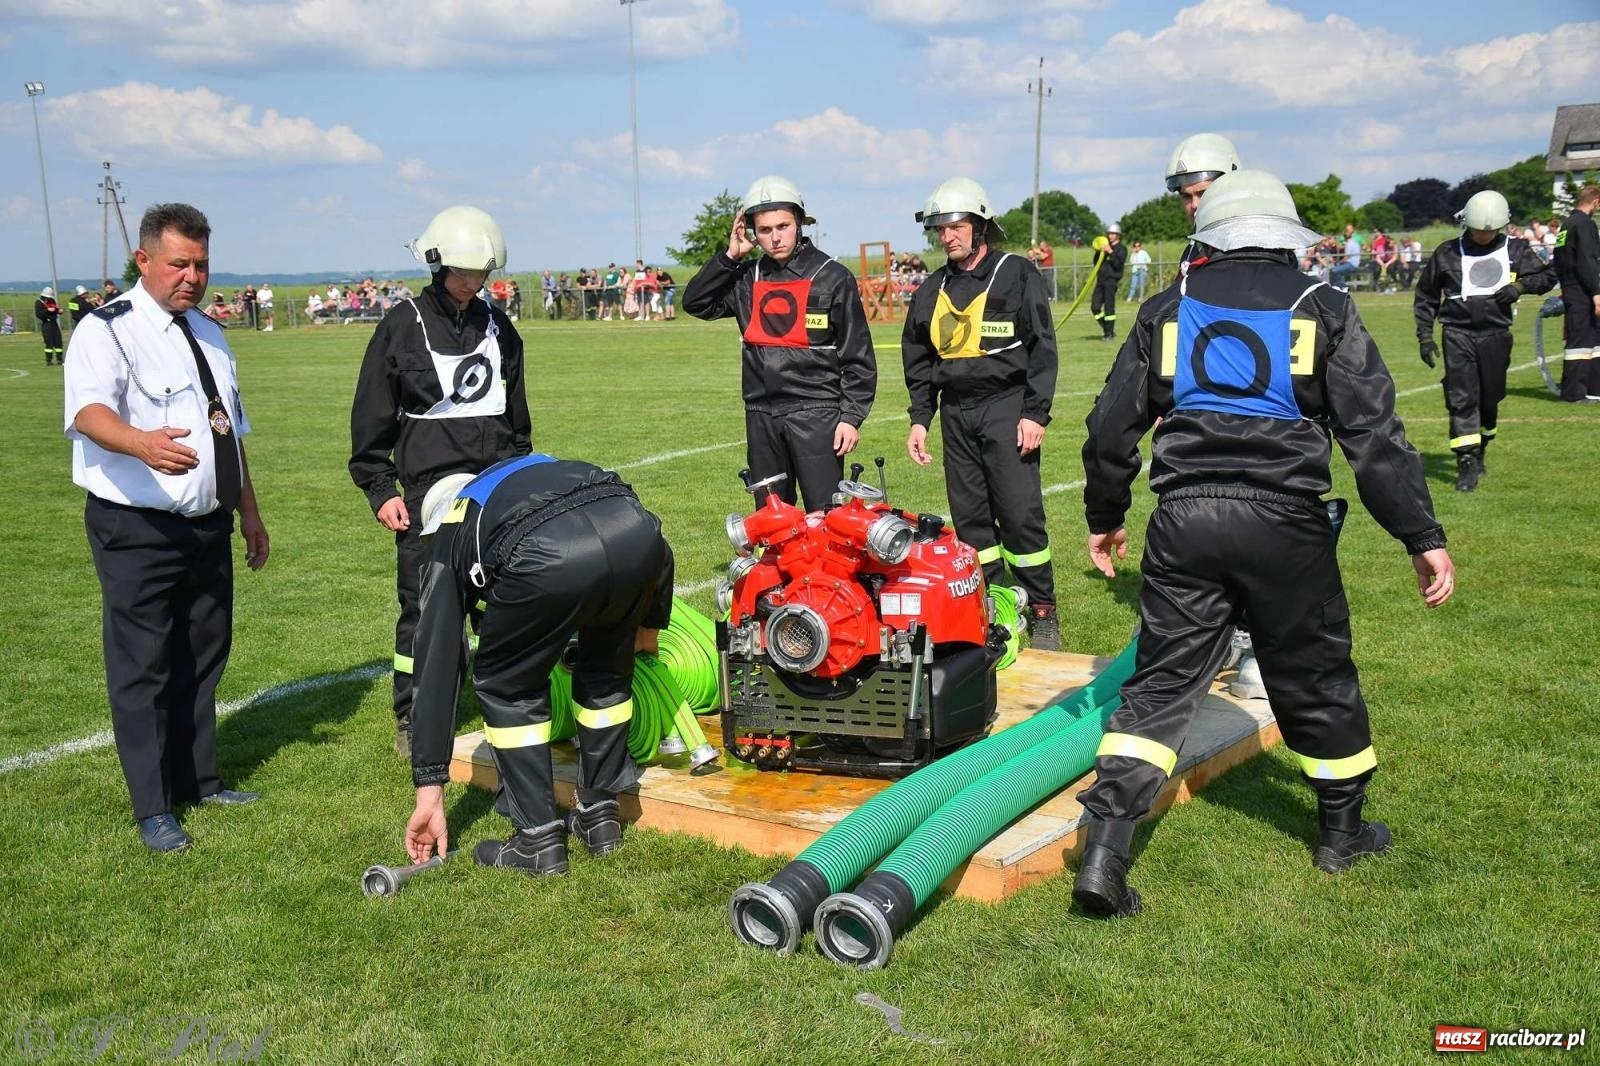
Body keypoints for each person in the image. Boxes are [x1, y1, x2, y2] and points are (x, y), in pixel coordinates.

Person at [1073, 171, 1454, 916]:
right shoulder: (1325, 305)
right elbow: (1375, 436)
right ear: (1287, 236)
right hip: (1286, 522)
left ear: (1209, 234)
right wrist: (1420, 535)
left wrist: (1106, 513)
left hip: (1184, 519)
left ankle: (1104, 851)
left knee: (1161, 683)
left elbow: (1109, 429)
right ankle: (1342, 833)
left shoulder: (1167, 307)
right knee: (1313, 670)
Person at [62, 202, 271, 853]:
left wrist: (248, 510)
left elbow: (227, 429)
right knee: (143, 665)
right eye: (179, 263)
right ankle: (153, 807)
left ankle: (200, 780)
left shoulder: (209, 332)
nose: (192, 277)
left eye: (201, 265)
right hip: (137, 527)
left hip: (207, 525)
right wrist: (141, 444)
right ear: (144, 260)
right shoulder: (107, 330)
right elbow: (88, 412)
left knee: (204, 654)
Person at [402, 454, 674, 876]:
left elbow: (436, 662)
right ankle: (600, 816)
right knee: (606, 672)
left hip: (547, 554)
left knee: (506, 686)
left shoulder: (452, 527)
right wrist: (650, 625)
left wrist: (429, 788)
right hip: (636, 535)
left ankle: (537, 842)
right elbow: (655, 538)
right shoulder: (528, 471)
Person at [349, 205, 532, 758]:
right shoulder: (400, 325)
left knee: (506, 602)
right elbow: (371, 417)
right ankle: (413, 715)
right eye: (463, 272)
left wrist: (520, 482)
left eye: (481, 274)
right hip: (426, 498)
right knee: (425, 612)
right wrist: (380, 490)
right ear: (437, 264)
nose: (472, 283)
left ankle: (510, 704)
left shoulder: (499, 327)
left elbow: (517, 421)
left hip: (494, 489)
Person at [902, 176, 1062, 649]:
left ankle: (1042, 610)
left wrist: (1035, 413)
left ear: (980, 225)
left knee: (1018, 514)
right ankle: (992, 604)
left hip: (1007, 408)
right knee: (970, 520)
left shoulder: (1017, 273)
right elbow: (918, 361)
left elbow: (1043, 347)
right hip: (956, 413)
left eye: (956, 226)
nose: (947, 236)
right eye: (940, 228)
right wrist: (920, 418)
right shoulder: (931, 289)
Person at [682, 175, 877, 512]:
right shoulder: (747, 277)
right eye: (764, 230)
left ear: (799, 222)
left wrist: (851, 416)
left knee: (825, 517)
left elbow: (857, 356)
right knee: (772, 517)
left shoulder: (833, 277)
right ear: (752, 233)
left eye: (783, 226)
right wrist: (729, 257)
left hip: (817, 413)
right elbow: (696, 303)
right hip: (761, 415)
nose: (775, 237)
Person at [1413, 190, 1556, 490]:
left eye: (1490, 231)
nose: (1484, 235)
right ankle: (1466, 460)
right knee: (1462, 397)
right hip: (1457, 334)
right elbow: (1426, 296)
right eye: (1479, 230)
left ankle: (1482, 446)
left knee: (1490, 399)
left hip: (1496, 335)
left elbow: (1547, 277)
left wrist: (1519, 287)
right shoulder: (1447, 253)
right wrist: (1425, 337)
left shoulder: (1516, 250)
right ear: (1467, 223)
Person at [1553, 183, 1600, 404]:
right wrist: (1597, 291)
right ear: (1596, 202)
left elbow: (1559, 261)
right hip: (1583, 289)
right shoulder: (1585, 224)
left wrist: (1565, 287)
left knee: (1592, 339)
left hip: (1571, 287)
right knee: (1581, 341)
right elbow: (1588, 260)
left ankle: (1593, 388)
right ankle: (1574, 393)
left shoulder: (1567, 224)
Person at [1091, 223, 1128, 341]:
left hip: (1111, 281)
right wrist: (1098, 251)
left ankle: (1109, 334)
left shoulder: (1121, 249)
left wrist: (1110, 252)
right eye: (1109, 234)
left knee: (1109, 308)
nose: (1110, 236)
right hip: (1100, 280)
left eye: (1113, 234)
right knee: (1095, 307)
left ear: (1118, 235)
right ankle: (1106, 328)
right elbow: (1096, 263)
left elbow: (1118, 265)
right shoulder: (1105, 247)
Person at [35, 286, 64, 366]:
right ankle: (49, 360)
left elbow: (55, 308)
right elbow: (38, 314)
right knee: (49, 343)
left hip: (54, 323)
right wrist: (47, 310)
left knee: (58, 342)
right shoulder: (38, 302)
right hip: (46, 323)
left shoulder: (52, 300)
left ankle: (60, 359)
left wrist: (59, 311)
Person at [1329, 223, 1364, 288]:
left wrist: (1338, 262)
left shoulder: (1349, 244)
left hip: (1352, 264)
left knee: (1333, 270)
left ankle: (1339, 287)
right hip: (1353, 263)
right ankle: (1340, 286)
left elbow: (1346, 257)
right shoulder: (1354, 242)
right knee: (1338, 269)